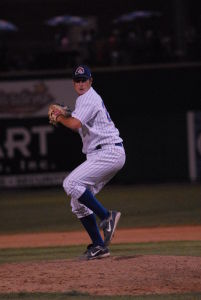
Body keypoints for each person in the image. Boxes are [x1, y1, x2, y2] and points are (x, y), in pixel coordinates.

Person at [55, 65, 126, 260]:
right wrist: (66, 114)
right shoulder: (83, 102)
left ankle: (106, 216)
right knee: (77, 203)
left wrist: (60, 116)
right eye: (77, 81)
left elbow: (74, 124)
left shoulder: (88, 98)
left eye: (84, 80)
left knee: (70, 183)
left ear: (90, 81)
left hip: (108, 152)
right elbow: (77, 122)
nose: (80, 84)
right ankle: (99, 246)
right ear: (73, 83)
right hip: (104, 154)